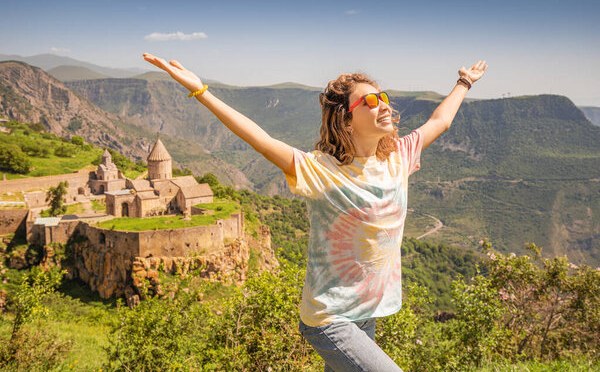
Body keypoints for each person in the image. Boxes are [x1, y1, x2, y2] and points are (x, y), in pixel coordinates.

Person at [142, 53, 487, 371]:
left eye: (383, 97)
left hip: (366, 314)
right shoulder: (320, 170)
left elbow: (440, 121)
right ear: (347, 121)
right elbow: (259, 139)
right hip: (329, 317)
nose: (382, 104)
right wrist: (200, 90)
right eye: (369, 100)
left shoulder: (398, 156)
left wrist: (464, 82)